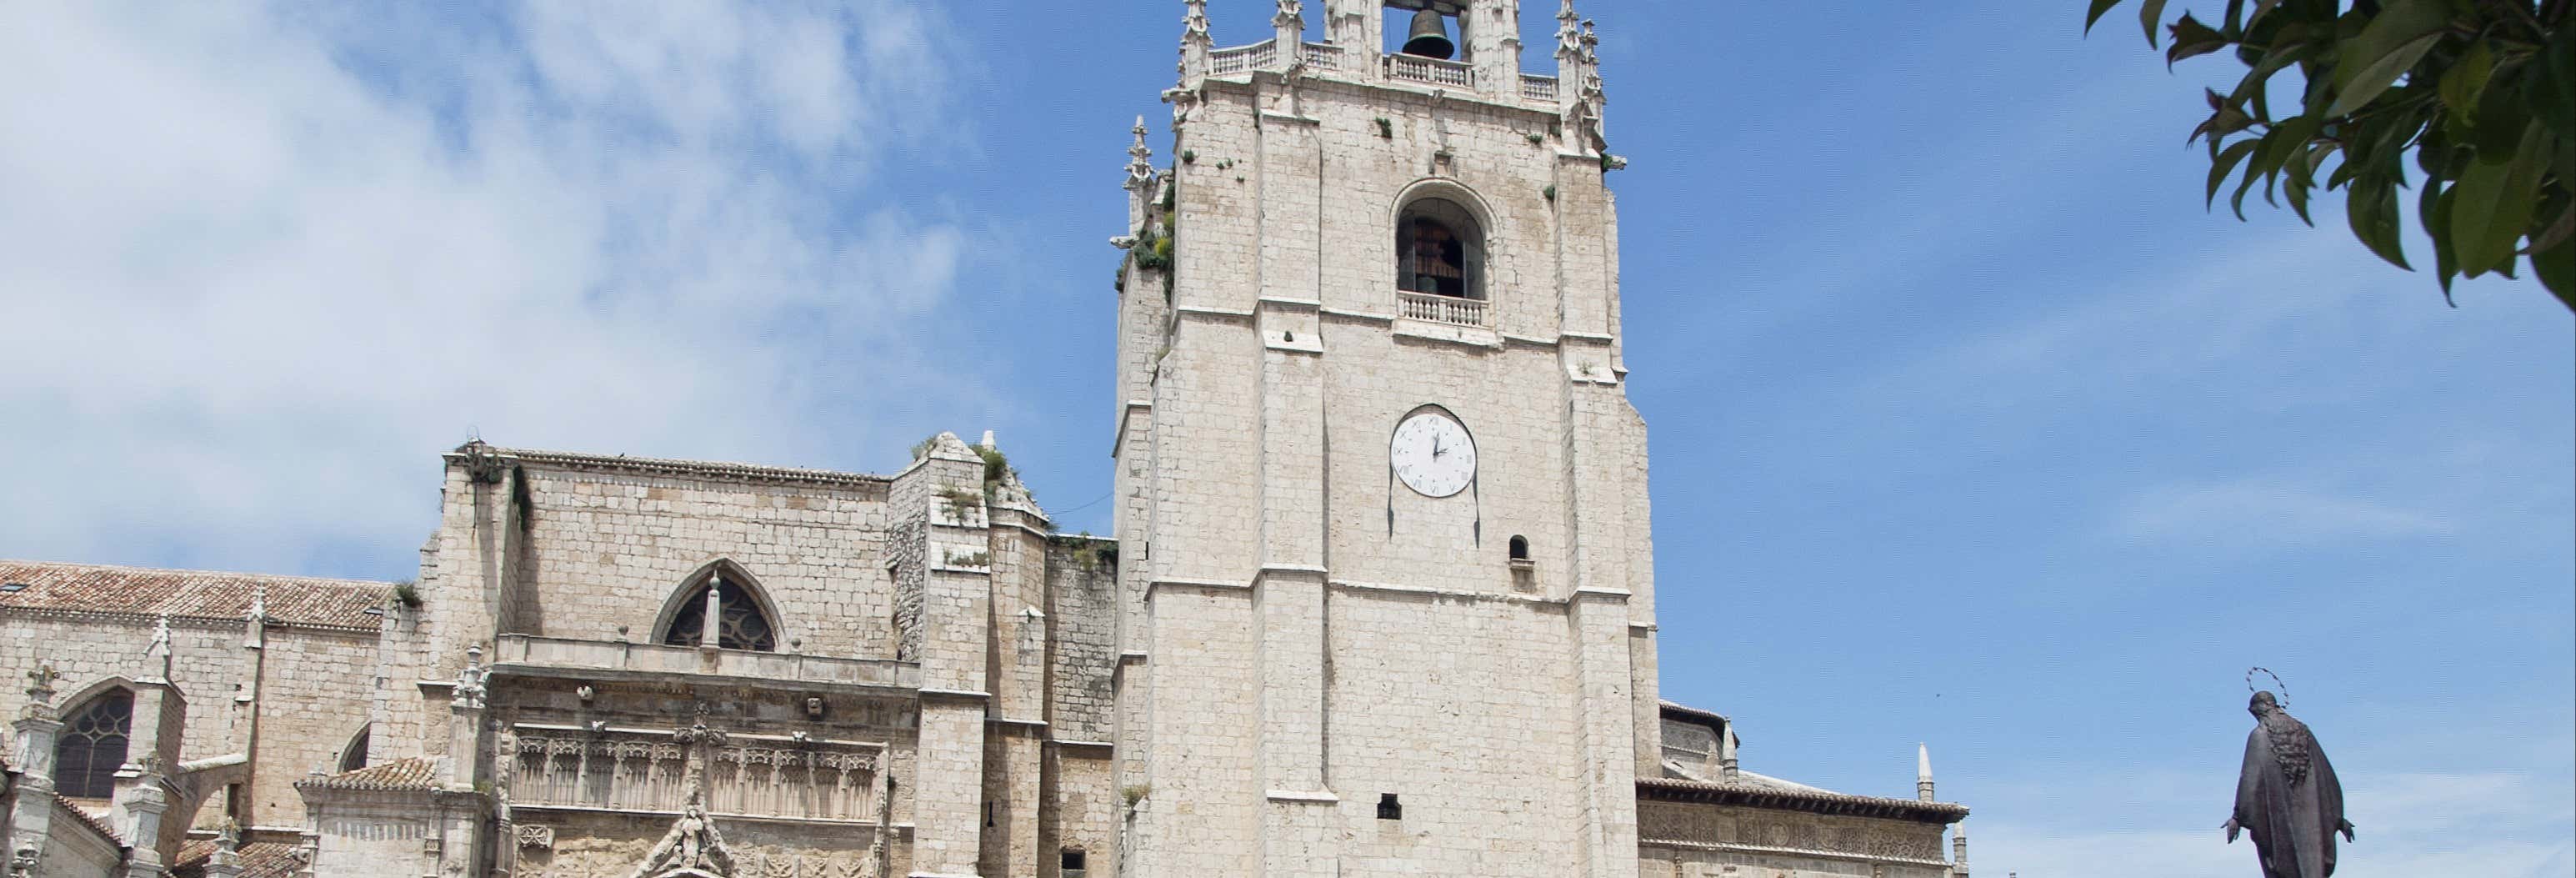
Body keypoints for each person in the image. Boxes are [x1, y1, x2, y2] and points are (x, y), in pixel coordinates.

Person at [2225, 690, 2355, 878]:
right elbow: (2328, 778)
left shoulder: (2260, 736)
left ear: (2262, 708)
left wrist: (2238, 816)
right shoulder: (2304, 732)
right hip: (2314, 826)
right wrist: (2336, 815)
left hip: (2280, 828)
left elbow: (2250, 782)